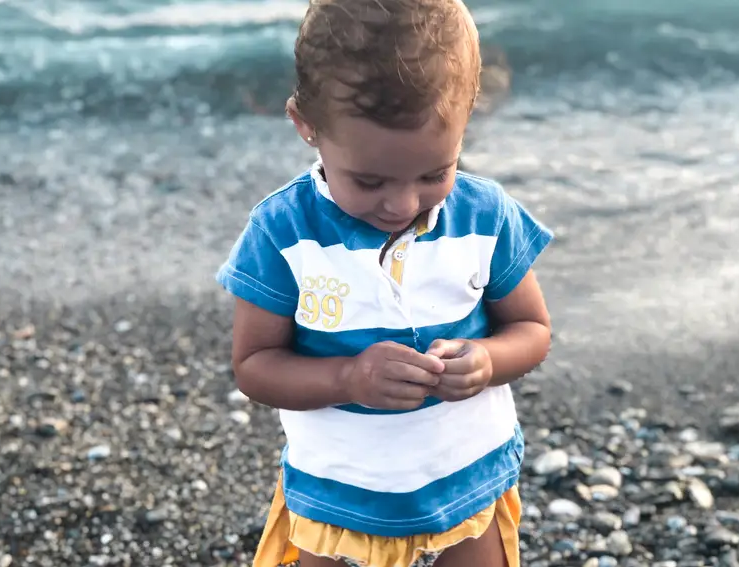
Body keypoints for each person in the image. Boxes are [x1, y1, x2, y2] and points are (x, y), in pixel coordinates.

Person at [215, 0, 553, 565]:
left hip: (468, 479)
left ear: (468, 117)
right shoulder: (283, 232)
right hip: (336, 493)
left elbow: (532, 329)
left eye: (433, 174)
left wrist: (488, 361)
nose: (401, 204)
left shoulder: (486, 216)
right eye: (369, 180)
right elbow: (254, 367)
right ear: (307, 126)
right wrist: (349, 376)